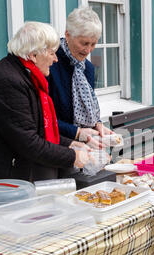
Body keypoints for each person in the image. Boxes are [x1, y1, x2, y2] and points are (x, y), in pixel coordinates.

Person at [0, 21, 91, 206]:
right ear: (33, 55)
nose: (55, 59)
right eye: (51, 53)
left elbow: (39, 129)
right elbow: (29, 142)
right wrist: (73, 156)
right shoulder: (8, 81)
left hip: (4, 178)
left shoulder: (25, 75)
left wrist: (72, 143)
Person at [48, 6, 113, 150]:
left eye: (93, 44)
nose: (88, 50)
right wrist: (77, 133)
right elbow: (43, 116)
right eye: (84, 43)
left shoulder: (88, 68)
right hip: (54, 145)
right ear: (68, 34)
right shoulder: (50, 63)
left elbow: (88, 107)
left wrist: (97, 124)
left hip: (84, 144)